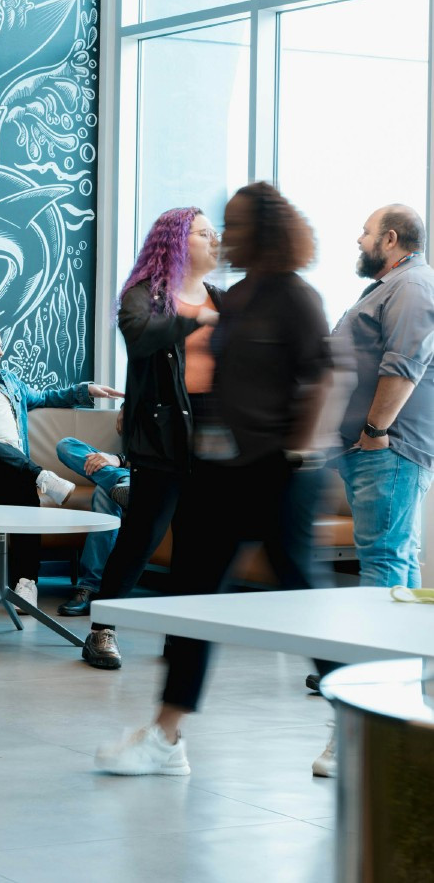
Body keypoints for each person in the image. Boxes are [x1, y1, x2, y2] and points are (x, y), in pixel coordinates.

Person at [97, 182, 341, 780]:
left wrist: (300, 453)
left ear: (264, 230)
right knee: (193, 603)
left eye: (233, 225)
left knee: (305, 598)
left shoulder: (293, 298)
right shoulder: (235, 301)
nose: (224, 236)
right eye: (218, 225)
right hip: (221, 476)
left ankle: (355, 725)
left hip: (281, 476)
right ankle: (165, 737)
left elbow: (326, 379)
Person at [81, 206, 222, 671]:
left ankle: (181, 637)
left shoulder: (222, 298)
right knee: (142, 536)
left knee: (197, 543)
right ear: (178, 241)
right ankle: (102, 631)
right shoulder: (144, 296)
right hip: (161, 435)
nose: (214, 239)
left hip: (211, 436)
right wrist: (196, 319)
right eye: (204, 233)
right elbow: (140, 338)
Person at [0, 322, 122, 607]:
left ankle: (26, 582)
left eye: (0, 345)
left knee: (23, 487)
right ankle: (40, 475)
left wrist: (86, 390)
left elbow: (45, 397)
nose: (0, 352)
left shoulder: (9, 381)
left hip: (10, 471)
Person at [331, 204, 434, 589]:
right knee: (395, 554)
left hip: (389, 448)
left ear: (390, 238)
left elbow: (404, 365)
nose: (359, 239)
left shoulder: (411, 286)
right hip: (381, 449)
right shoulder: (394, 284)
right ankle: (401, 650)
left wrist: (374, 431)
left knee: (383, 559)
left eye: (366, 231)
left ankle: (377, 651)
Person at [53, 413, 131, 617]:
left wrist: (118, 459)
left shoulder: (182, 407)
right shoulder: (141, 399)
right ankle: (121, 481)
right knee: (66, 445)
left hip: (149, 474)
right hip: (123, 474)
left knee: (104, 494)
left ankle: (89, 587)